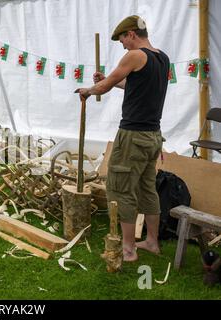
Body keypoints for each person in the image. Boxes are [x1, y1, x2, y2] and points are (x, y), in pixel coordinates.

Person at [75, 15, 170, 262]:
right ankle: (151, 241)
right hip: (153, 136)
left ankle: (128, 249)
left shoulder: (135, 55)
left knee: (120, 188)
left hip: (133, 135)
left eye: (122, 40)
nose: (123, 45)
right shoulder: (161, 57)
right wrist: (106, 80)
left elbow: (104, 87)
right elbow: (133, 85)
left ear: (131, 34)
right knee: (147, 188)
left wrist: (90, 89)